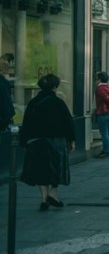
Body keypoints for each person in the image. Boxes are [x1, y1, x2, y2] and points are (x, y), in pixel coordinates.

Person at [20, 74, 75, 211]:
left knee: (41, 170)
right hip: (55, 140)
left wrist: (24, 142)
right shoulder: (58, 103)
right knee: (57, 169)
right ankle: (53, 193)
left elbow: (26, 123)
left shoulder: (33, 103)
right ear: (55, 87)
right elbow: (68, 122)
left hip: (36, 141)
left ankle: (44, 199)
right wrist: (71, 139)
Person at [94, 71, 109, 158]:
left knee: (104, 133)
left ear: (100, 79)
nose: (95, 81)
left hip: (103, 113)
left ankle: (106, 151)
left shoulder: (100, 88)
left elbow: (107, 99)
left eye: (96, 79)